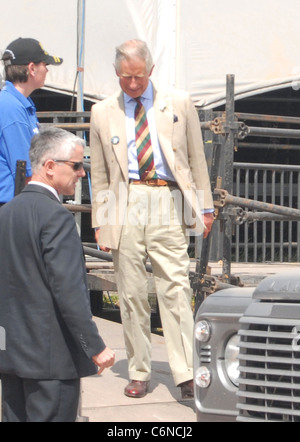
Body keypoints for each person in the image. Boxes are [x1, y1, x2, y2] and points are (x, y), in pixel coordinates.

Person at [90, 39, 214, 399]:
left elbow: (197, 158)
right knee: (129, 291)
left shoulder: (178, 102)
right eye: (126, 77)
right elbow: (99, 173)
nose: (132, 84)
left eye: (139, 76)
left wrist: (204, 208)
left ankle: (186, 371)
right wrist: (102, 220)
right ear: (116, 73)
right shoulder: (101, 112)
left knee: (175, 286)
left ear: (151, 71)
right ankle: (139, 370)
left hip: (167, 195)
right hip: (124, 198)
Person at [0, 127, 115, 422]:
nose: (82, 173)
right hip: (51, 360)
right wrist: (95, 346)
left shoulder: (6, 213)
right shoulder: (57, 217)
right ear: (50, 166)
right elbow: (68, 291)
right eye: (76, 165)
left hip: (11, 354)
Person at [0, 37, 63, 206]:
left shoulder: (18, 104)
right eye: (45, 65)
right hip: (10, 205)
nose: (47, 70)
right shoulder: (12, 107)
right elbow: (26, 171)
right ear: (32, 68)